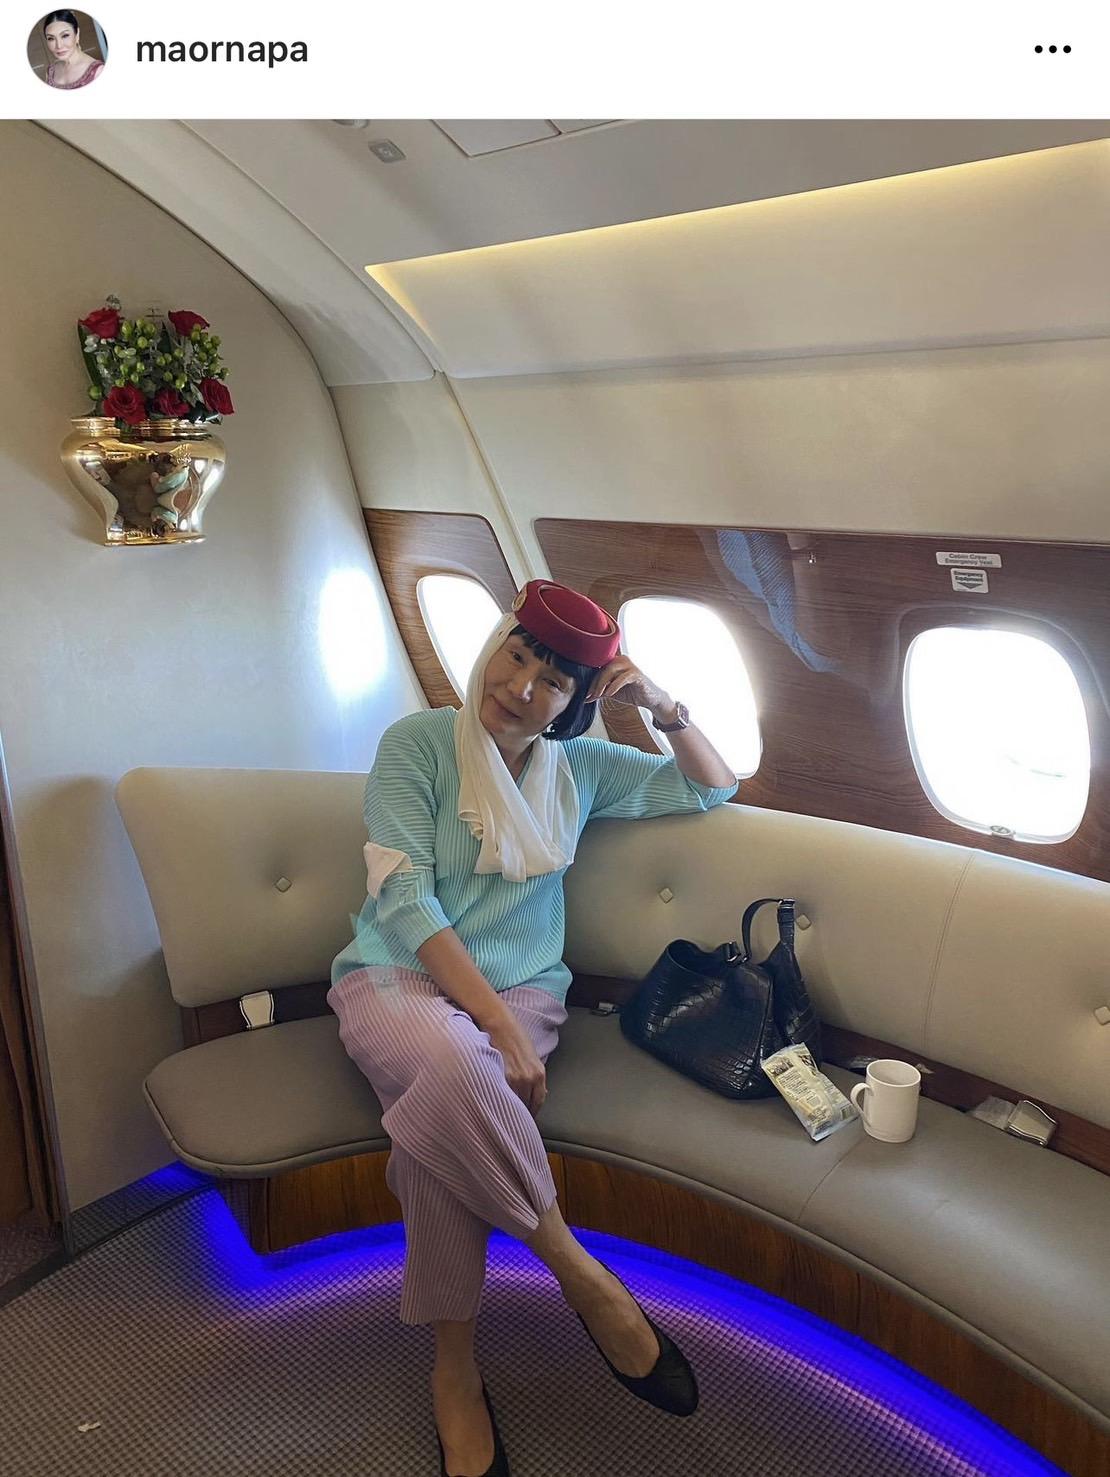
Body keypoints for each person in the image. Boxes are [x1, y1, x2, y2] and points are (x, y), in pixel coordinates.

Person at [327, 580, 739, 1477]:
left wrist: (663, 705)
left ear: (576, 701)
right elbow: (405, 900)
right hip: (396, 977)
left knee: (434, 1128)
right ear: (493, 648)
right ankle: (582, 1275)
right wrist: (493, 1028)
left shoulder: (581, 766)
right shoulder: (418, 744)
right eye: (516, 657)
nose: (520, 687)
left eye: (552, 680)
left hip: (525, 991)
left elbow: (713, 786)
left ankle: (454, 1371)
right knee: (456, 1067)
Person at [42, 11, 104, 89]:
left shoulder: (99, 71)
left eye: (65, 36)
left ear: (77, 34)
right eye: (51, 38)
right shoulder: (50, 71)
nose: (59, 46)